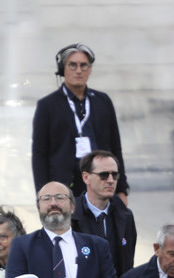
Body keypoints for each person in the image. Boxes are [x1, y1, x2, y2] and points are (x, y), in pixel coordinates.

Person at [32, 44, 128, 202]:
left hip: (101, 183)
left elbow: (115, 147)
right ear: (63, 69)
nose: (78, 70)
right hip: (65, 188)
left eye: (83, 65)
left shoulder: (102, 101)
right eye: (72, 65)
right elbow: (39, 154)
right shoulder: (48, 105)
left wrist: (122, 189)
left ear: (90, 69)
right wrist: (44, 194)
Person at [71, 150, 136, 277]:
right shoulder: (70, 217)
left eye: (115, 175)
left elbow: (128, 265)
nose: (111, 180)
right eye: (104, 175)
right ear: (86, 177)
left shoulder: (126, 216)